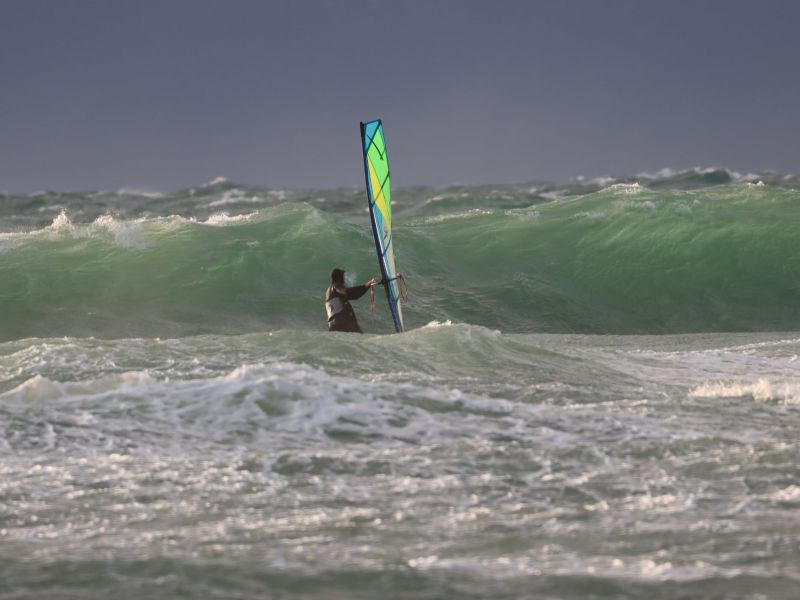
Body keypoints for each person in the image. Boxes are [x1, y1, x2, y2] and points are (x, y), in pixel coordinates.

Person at [324, 268, 382, 333]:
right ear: (339, 278)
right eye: (343, 277)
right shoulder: (335, 286)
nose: (344, 280)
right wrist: (369, 284)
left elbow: (352, 295)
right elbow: (350, 293)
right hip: (343, 326)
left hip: (335, 327)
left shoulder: (330, 292)